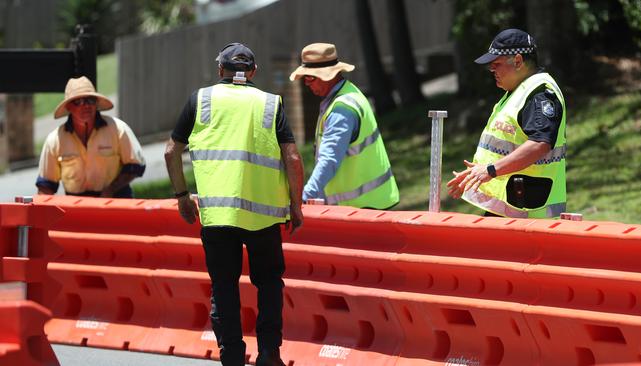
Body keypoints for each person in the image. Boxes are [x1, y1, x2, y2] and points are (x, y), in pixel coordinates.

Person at [164, 42, 303, 366]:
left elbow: (171, 151)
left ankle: (232, 356)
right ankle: (269, 353)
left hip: (218, 215)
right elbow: (292, 157)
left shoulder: (201, 99)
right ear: (252, 72)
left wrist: (183, 197)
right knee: (268, 284)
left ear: (220, 71)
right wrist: (295, 206)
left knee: (224, 286)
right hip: (264, 216)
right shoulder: (270, 103)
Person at [446, 29, 567, 218]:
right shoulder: (517, 92)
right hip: (512, 207)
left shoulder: (540, 94)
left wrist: (490, 170)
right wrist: (476, 173)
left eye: (497, 64)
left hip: (530, 213)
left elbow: (539, 144)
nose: (491, 70)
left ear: (518, 61)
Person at [289, 43, 399, 209]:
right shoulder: (347, 94)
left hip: (363, 207)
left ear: (328, 76)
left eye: (309, 77)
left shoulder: (341, 110)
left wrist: (304, 197)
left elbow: (329, 159)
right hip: (370, 203)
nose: (306, 83)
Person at [36, 76, 146, 198]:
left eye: (90, 100)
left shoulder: (118, 129)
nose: (86, 105)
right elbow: (46, 186)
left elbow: (136, 166)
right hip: (76, 207)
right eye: (78, 101)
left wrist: (111, 189)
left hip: (116, 200)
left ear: (96, 103)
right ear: (68, 107)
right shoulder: (54, 140)